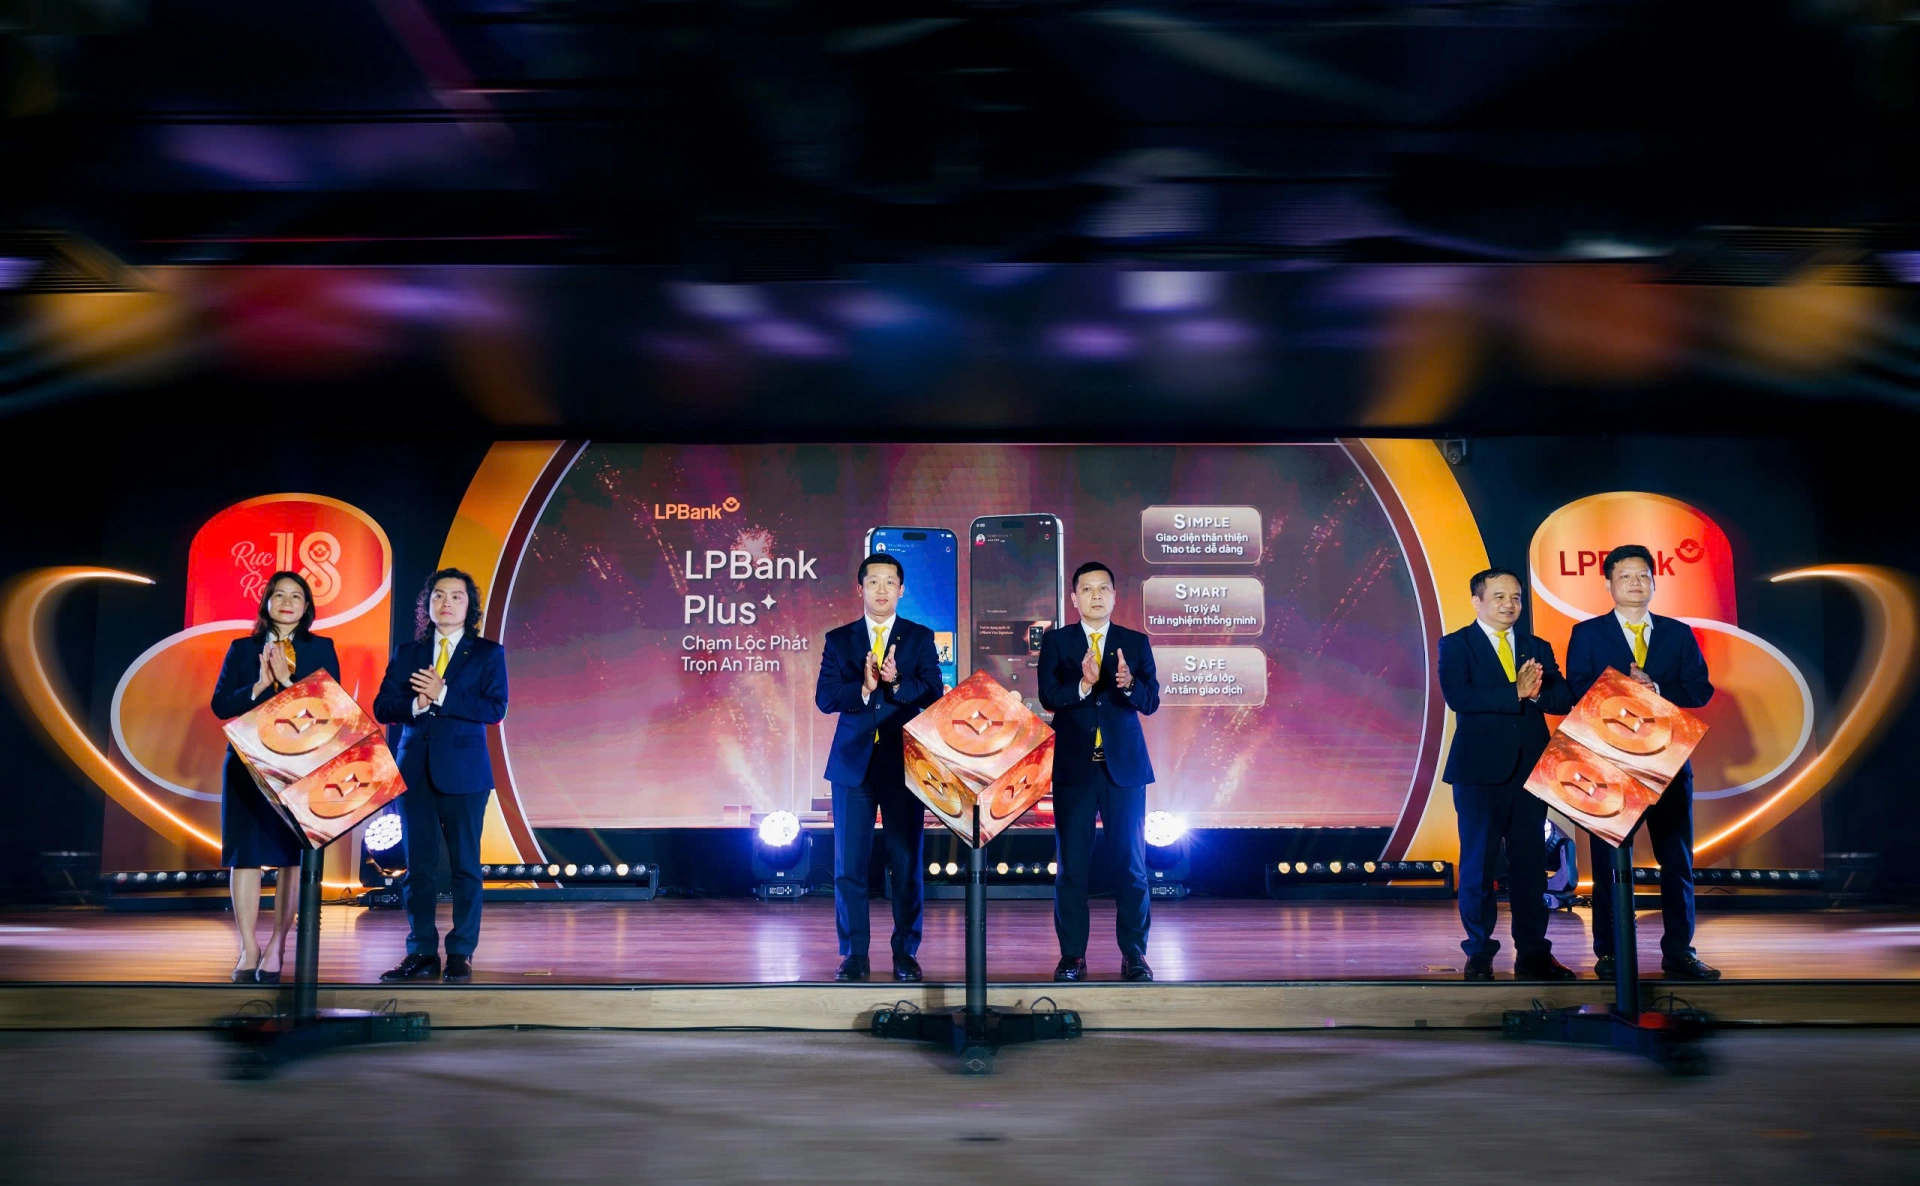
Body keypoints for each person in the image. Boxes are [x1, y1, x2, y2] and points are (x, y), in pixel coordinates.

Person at [1565, 544, 1719, 981]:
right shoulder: (1587, 633)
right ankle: (1610, 952)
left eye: (1642, 576)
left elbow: (1700, 690)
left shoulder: (1677, 633)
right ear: (1608, 584)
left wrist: (1657, 688)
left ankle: (1680, 953)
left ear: (1654, 581)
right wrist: (1622, 691)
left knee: (1677, 861)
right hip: (1609, 762)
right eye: (1625, 576)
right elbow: (1576, 690)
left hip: (1666, 760)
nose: (1635, 583)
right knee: (1609, 863)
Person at [1437, 567, 1577, 981]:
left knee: (1530, 866)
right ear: (1477, 601)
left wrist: (1536, 692)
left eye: (1515, 597)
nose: (1509, 605)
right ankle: (1479, 954)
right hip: (1478, 773)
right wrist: (1514, 691)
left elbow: (1563, 698)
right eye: (1499, 596)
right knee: (1479, 865)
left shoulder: (1536, 646)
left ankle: (1533, 953)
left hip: (1531, 771)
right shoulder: (1456, 644)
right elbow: (1458, 697)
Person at [814, 552, 944, 982]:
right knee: (849, 867)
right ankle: (854, 955)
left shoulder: (920, 637)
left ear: (902, 590)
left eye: (890, 582)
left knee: (905, 864)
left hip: (904, 765)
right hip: (852, 766)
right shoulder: (839, 639)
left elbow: (933, 693)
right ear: (860, 589)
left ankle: (905, 953)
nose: (882, 589)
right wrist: (866, 688)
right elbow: (826, 698)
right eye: (874, 582)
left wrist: (897, 683)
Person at [374, 569, 508, 984]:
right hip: (414, 772)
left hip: (466, 774)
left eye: (456, 596)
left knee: (466, 867)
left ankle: (461, 952)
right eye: (438, 596)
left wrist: (443, 694)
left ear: (470, 607)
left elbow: (495, 709)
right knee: (418, 868)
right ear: (427, 604)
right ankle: (421, 952)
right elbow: (382, 706)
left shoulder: (487, 653)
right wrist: (416, 704)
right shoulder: (407, 652)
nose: (446, 603)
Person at [210, 571, 339, 984]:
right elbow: (220, 705)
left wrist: (286, 683)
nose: (287, 602)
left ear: (307, 607)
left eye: (296, 596)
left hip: (296, 768)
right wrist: (259, 685)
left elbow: (331, 709)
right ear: (266, 602)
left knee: (290, 858)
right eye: (279, 595)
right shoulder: (242, 648)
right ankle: (248, 947)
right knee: (244, 857)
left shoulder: (321, 648)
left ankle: (277, 945)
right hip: (245, 764)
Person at [1038, 561, 1160, 982]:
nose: (1095, 596)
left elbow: (1151, 701)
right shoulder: (1058, 642)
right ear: (1074, 598)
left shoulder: (1135, 642)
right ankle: (1072, 956)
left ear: (1114, 596)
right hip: (1074, 769)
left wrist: (1128, 684)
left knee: (1131, 865)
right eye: (1086, 589)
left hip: (1123, 770)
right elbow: (1048, 696)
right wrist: (1084, 686)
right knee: (1072, 867)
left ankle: (1135, 955)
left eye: (1103, 588)